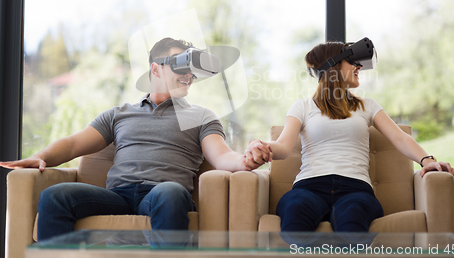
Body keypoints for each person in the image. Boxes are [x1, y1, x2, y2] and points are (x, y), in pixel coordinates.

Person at [0, 37, 271, 241]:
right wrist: (41, 157)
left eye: (191, 68)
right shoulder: (120, 114)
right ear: (155, 69)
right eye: (179, 64)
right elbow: (73, 144)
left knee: (170, 191)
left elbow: (222, 156)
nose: (188, 73)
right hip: (116, 196)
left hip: (161, 194)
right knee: (55, 197)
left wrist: (246, 160)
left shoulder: (201, 116)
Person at [245, 40, 454, 233]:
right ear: (333, 65)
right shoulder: (303, 106)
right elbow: (283, 146)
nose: (359, 67)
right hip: (309, 186)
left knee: (352, 223)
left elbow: (400, 138)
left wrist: (427, 160)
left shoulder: (367, 105)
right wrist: (263, 146)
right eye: (352, 61)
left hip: (355, 188)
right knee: (294, 218)